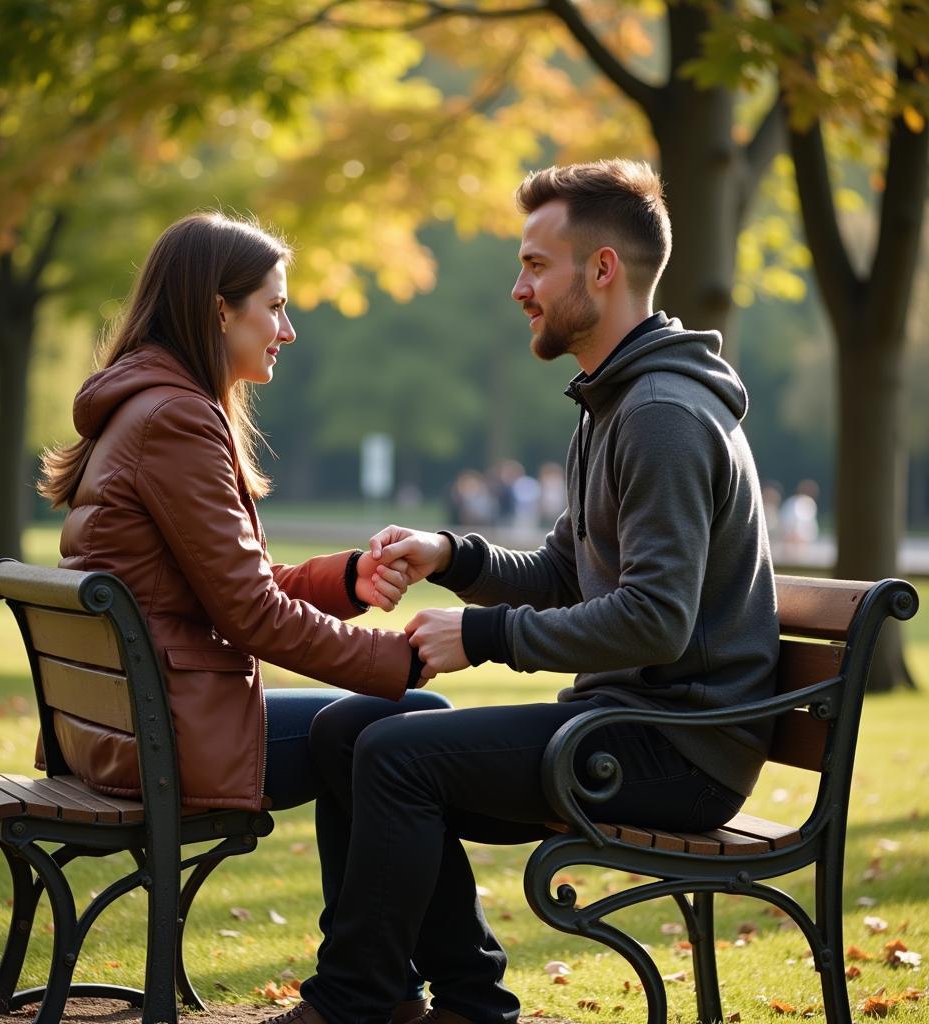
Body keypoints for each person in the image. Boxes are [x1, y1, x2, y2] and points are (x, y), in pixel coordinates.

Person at [274, 161, 779, 1024]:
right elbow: (558, 574)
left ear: (603, 270)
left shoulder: (660, 413)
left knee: (398, 757)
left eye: (535, 265)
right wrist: (449, 553)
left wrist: (482, 637)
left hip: (677, 750)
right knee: (354, 727)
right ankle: (450, 1000)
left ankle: (354, 1003)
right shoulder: (614, 401)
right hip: (627, 726)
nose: (518, 288)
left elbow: (659, 621)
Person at [37, 212, 447, 1023]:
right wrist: (395, 664)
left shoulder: (150, 408)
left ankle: (374, 993)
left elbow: (232, 586)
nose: (287, 330)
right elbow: (252, 614)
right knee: (409, 728)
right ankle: (396, 994)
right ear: (218, 310)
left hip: (130, 725)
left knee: (380, 735)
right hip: (166, 739)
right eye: (275, 306)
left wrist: (349, 581)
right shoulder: (176, 419)